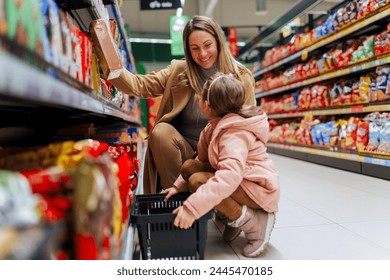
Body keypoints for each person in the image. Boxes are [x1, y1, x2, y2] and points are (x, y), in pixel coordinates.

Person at [101, 15, 256, 194]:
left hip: (222, 154)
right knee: (160, 132)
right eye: (195, 48)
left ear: (218, 42)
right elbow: (139, 85)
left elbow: (249, 126)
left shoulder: (241, 77)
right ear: (188, 51)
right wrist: (108, 65)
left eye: (207, 45)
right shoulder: (178, 72)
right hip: (184, 154)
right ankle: (177, 200)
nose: (203, 54)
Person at [162, 73, 280, 258]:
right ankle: (231, 218)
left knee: (199, 181)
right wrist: (177, 187)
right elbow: (201, 162)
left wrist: (191, 209)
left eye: (200, 96)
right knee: (190, 167)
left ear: (207, 105)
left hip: (259, 188)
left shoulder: (233, 134)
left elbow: (229, 177)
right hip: (243, 180)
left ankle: (256, 223)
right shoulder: (213, 126)